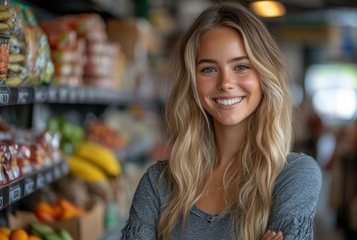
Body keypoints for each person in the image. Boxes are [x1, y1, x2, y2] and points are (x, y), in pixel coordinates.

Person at [120, 2, 322, 240]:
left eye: (241, 66)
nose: (225, 83)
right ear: (192, 82)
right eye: (208, 69)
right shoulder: (158, 184)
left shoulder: (294, 176)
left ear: (264, 75)